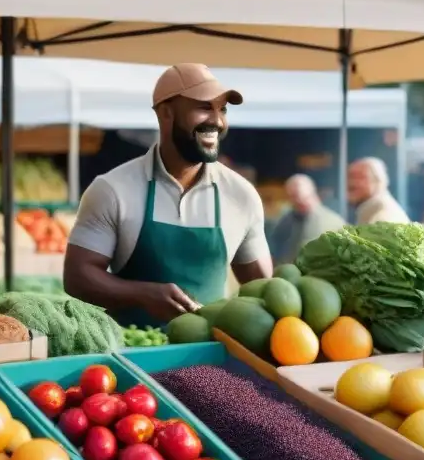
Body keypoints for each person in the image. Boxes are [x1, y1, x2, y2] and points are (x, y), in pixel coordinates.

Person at [64, 63, 272, 326]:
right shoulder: (113, 189)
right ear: (165, 113)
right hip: (131, 354)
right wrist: (143, 294)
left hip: (208, 359)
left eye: (222, 110)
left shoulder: (241, 196)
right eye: (204, 107)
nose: (217, 121)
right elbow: (78, 276)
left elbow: (263, 287)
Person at [268, 174, 346, 264]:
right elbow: (275, 245)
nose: (299, 201)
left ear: (313, 194)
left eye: (303, 197)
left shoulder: (333, 222)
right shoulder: (286, 220)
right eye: (293, 197)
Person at [348, 158, 409, 225]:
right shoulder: (368, 211)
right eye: (350, 177)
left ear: (378, 181)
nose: (352, 183)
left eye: (360, 177)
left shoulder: (384, 216)